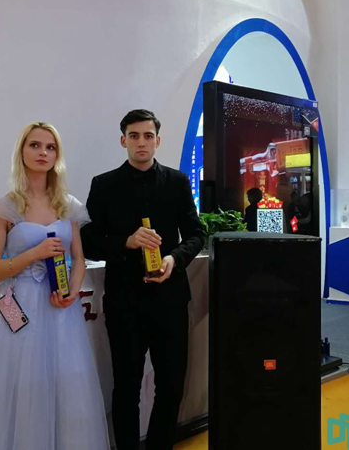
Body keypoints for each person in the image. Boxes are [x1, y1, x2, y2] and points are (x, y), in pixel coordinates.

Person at [0, 122, 109, 450]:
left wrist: (73, 290)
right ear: (21, 151)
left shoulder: (68, 205)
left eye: (50, 147)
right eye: (35, 145)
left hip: (61, 308)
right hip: (21, 306)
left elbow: (79, 258)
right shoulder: (5, 208)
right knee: (25, 386)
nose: (43, 153)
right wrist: (33, 254)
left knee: (67, 387)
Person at [81, 109, 204, 450]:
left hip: (170, 299)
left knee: (171, 386)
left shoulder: (178, 182)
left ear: (157, 141)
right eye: (134, 136)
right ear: (123, 140)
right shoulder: (103, 184)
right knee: (126, 388)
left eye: (148, 136)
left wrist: (174, 259)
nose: (141, 142)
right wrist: (127, 241)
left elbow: (196, 234)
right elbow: (88, 240)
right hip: (125, 302)